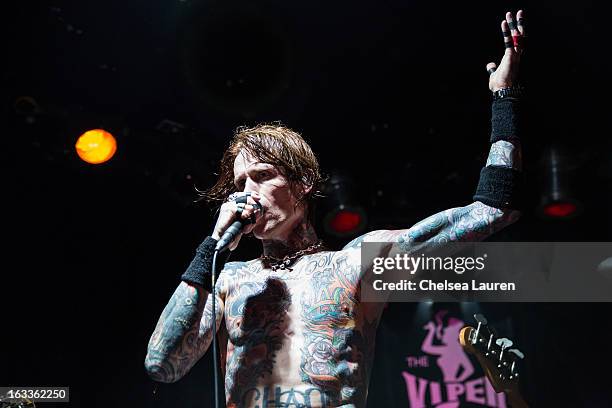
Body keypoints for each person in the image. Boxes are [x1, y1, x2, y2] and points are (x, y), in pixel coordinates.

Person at [145, 10, 527, 408]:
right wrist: (212, 246)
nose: (248, 193)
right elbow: (162, 364)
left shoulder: (355, 265)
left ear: (302, 183)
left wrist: (505, 99)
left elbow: (490, 210)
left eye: (262, 176)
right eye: (240, 184)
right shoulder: (227, 281)